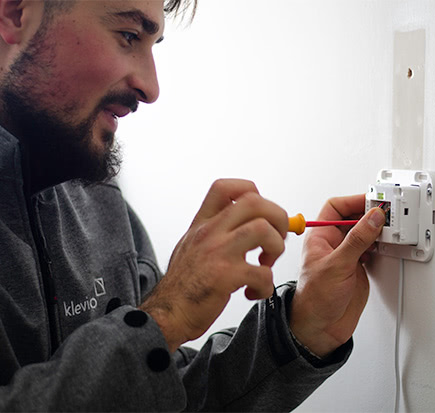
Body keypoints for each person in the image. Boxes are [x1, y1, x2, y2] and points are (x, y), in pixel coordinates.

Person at [0, 0, 385, 411]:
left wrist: (298, 332)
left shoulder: (97, 197)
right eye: (128, 35)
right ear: (16, 13)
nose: (151, 88)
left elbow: (162, 395)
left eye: (153, 44)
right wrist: (164, 317)